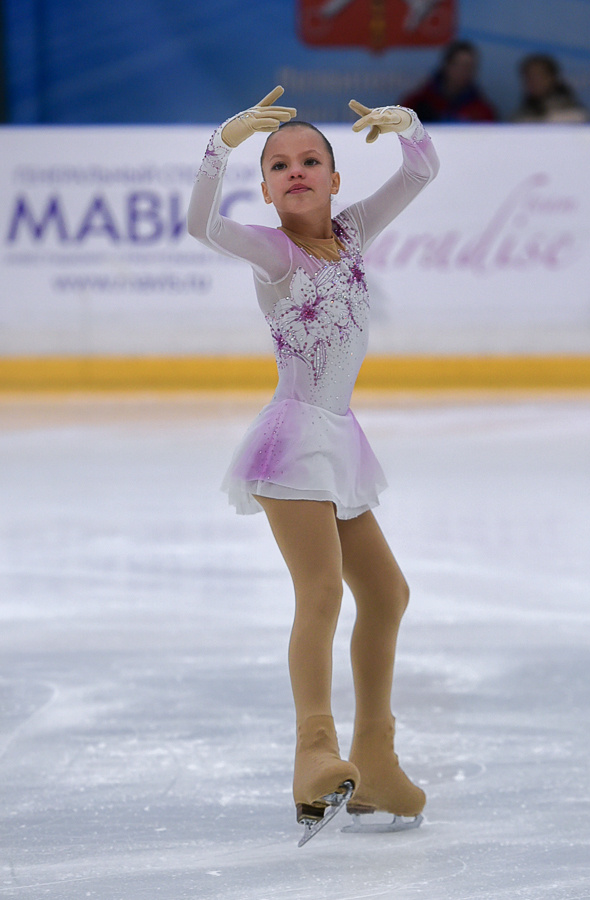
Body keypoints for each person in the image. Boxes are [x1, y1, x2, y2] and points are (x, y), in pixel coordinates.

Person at [187, 86, 439, 844]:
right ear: (266, 191)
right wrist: (221, 145)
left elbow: (420, 172)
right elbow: (201, 225)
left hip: (339, 439)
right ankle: (314, 752)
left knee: (385, 594)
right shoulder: (276, 252)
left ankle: (377, 759)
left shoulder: (354, 231)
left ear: (334, 179)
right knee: (323, 590)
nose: (294, 171)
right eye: (278, 166)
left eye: (309, 161)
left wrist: (408, 125)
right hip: (293, 437)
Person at [400, 39, 498, 123]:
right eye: (460, 65)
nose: (464, 72)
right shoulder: (417, 103)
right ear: (447, 65)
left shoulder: (481, 111)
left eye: (469, 67)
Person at [512, 54, 590, 123]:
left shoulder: (574, 115)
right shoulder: (520, 117)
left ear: (552, 78)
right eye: (528, 77)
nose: (533, 82)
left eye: (538, 76)